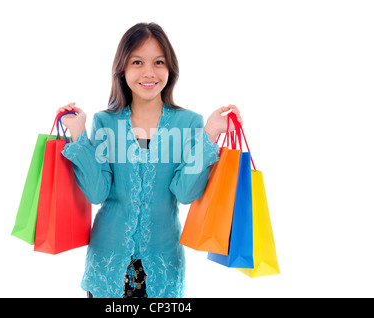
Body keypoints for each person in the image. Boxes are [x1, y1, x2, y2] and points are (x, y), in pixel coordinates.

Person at [57, 22, 243, 298]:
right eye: (137, 62)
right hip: (108, 265)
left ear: (170, 69)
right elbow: (96, 193)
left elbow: (185, 192)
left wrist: (210, 135)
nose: (148, 72)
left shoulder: (189, 123)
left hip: (163, 267)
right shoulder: (105, 122)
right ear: (122, 69)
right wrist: (78, 136)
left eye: (159, 62)